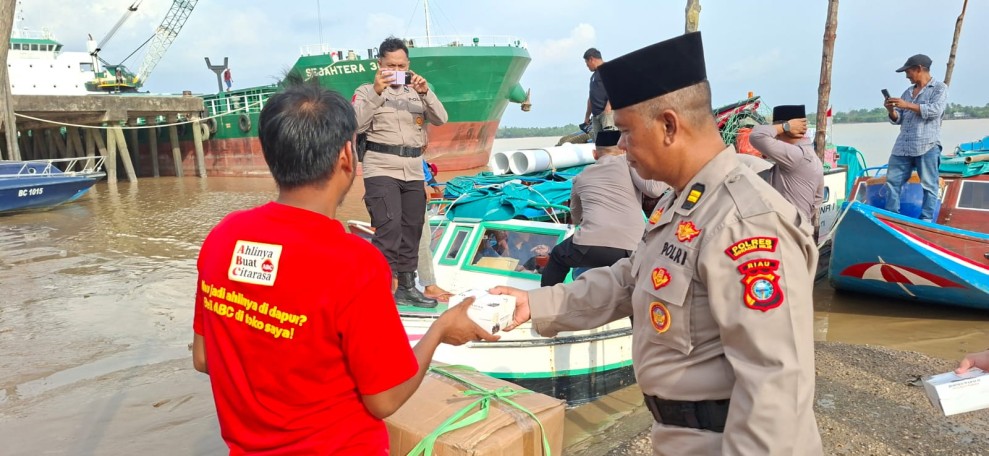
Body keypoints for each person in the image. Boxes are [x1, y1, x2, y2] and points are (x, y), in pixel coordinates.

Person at [492, 32, 823, 455]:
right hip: (678, 435)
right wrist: (535, 304)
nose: (622, 147)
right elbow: (634, 277)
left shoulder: (746, 221)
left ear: (669, 125)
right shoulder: (682, 199)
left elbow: (776, 386)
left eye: (627, 132)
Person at [191, 82, 497, 454]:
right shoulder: (355, 263)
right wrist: (440, 330)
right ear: (345, 157)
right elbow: (384, 399)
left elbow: (205, 358)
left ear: (271, 156)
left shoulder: (223, 237)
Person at [354, 36, 448, 307]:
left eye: (402, 65)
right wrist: (376, 91)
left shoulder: (415, 91)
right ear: (379, 64)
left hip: (413, 170)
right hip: (381, 167)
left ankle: (407, 287)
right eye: (391, 65)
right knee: (389, 228)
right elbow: (356, 125)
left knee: (412, 229)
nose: (397, 70)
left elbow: (442, 118)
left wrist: (426, 92)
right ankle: (380, 290)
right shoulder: (365, 92)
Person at [541, 129, 669, 286]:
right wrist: (672, 173)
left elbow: (575, 215)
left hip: (588, 246)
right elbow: (654, 190)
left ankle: (545, 302)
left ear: (595, 154)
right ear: (623, 149)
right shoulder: (629, 162)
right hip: (631, 248)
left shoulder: (580, 177)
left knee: (557, 256)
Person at [883, 53, 948, 222]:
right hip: (903, 147)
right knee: (892, 182)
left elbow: (935, 111)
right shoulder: (907, 92)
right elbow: (899, 119)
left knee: (929, 185)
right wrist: (891, 110)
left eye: (908, 71)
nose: (906, 76)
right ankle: (892, 218)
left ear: (919, 69)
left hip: (927, 145)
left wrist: (907, 105)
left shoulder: (939, 88)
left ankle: (926, 221)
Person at [748, 104, 825, 240]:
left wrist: (785, 126)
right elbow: (817, 200)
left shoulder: (796, 156)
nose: (775, 136)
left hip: (786, 235)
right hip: (801, 234)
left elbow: (757, 136)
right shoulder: (813, 158)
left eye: (776, 129)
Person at [417, 159, 453, 302]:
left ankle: (396, 284)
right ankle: (429, 286)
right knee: (422, 238)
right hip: (410, 185)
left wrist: (432, 184)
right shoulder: (419, 159)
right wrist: (423, 185)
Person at [582, 48, 614, 142]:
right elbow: (591, 96)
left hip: (606, 114)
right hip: (596, 116)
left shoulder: (607, 69)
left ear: (591, 59)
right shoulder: (593, 76)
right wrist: (587, 115)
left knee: (610, 142)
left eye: (587, 64)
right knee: (599, 143)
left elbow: (615, 87)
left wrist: (608, 106)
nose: (587, 67)